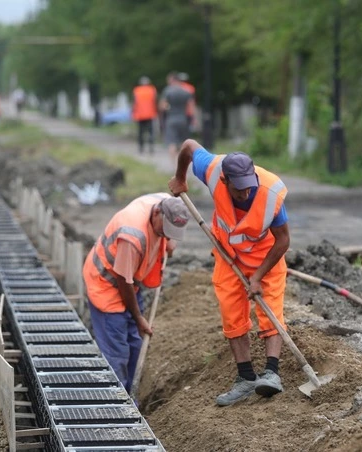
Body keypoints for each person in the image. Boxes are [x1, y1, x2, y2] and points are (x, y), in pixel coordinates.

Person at [168, 139, 290, 407]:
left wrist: (257, 276)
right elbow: (188, 146)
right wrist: (180, 178)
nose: (246, 194)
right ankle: (246, 377)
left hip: (266, 257)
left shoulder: (271, 194)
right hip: (228, 256)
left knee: (271, 311)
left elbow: (283, 241)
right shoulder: (212, 169)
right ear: (225, 181)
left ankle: (271, 373)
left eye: (250, 188)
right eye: (239, 191)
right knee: (231, 313)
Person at [82, 194, 191, 401]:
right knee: (117, 353)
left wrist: (167, 240)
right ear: (158, 212)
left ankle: (130, 398)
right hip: (106, 284)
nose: (165, 234)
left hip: (130, 281)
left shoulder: (166, 203)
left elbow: (171, 201)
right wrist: (138, 317)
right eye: (165, 229)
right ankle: (114, 404)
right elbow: (125, 281)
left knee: (134, 344)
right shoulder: (131, 236)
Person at [160, 72, 193, 161]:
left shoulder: (167, 91)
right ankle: (183, 165)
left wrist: (169, 108)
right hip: (183, 119)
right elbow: (190, 106)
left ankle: (174, 165)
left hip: (171, 119)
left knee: (172, 143)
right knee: (183, 143)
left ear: (173, 80)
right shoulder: (186, 91)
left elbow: (163, 106)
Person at [132, 76, 158, 154]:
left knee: (141, 132)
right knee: (151, 132)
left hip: (140, 115)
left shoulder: (136, 90)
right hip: (150, 114)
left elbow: (135, 103)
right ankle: (151, 147)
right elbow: (155, 101)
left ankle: (141, 148)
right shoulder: (152, 90)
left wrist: (133, 113)